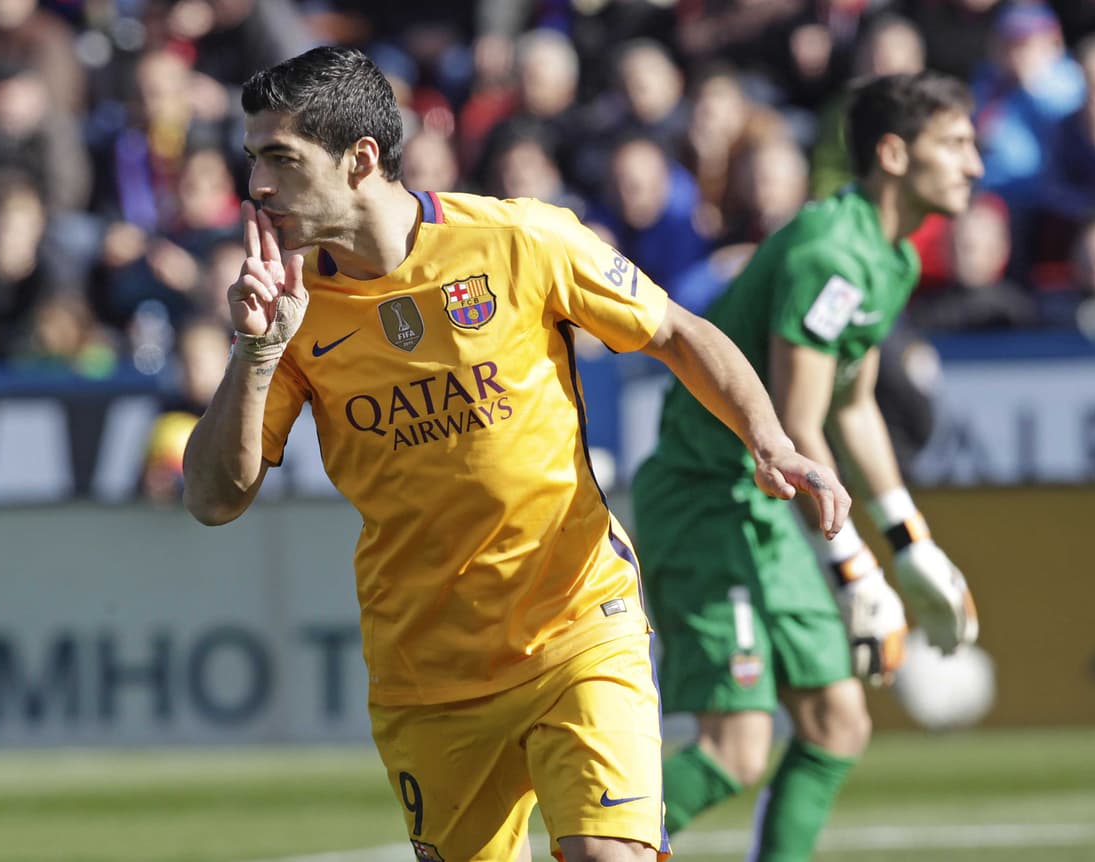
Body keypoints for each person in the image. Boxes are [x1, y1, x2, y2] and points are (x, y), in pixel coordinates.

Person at [181, 46, 850, 862]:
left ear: (360, 159)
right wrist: (254, 356)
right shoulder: (290, 309)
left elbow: (675, 331)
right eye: (254, 160)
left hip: (578, 625)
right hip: (426, 672)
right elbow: (216, 498)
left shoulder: (519, 239)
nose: (257, 187)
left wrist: (770, 440)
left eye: (281, 159)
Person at [630, 71, 983, 859]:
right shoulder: (830, 252)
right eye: (955, 144)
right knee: (735, 750)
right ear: (893, 154)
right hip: (707, 499)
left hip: (760, 503)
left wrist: (912, 542)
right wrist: (858, 572)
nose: (975, 165)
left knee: (837, 723)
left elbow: (851, 409)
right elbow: (795, 426)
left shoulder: (885, 255)